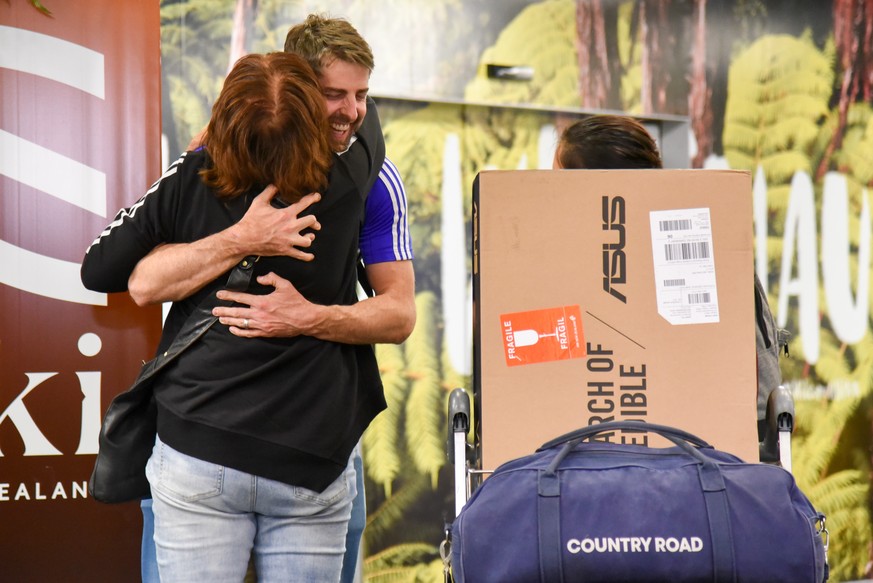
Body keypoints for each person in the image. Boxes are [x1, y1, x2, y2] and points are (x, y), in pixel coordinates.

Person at [82, 51, 397, 582]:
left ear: (223, 120)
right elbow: (362, 123)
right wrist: (247, 238)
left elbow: (100, 268)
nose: (350, 108)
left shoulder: (195, 176)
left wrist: (231, 236)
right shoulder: (347, 180)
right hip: (310, 455)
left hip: (200, 443)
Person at [553, 114, 786, 446]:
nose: (545, 194)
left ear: (591, 184)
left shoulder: (702, 255)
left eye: (555, 180)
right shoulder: (701, 247)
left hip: (690, 464)